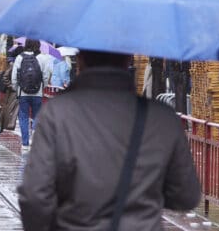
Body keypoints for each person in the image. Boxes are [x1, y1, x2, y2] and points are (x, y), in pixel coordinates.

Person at [18, 50, 201, 230]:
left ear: (80, 60)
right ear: (129, 58)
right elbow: (186, 196)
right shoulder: (162, 118)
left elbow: (34, 196)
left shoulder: (57, 114)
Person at [11, 39, 51, 150]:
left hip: (23, 93)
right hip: (37, 93)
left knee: (23, 117)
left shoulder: (20, 57)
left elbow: (14, 76)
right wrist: (43, 87)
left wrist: (17, 88)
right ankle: (34, 130)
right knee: (37, 114)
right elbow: (46, 75)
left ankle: (24, 144)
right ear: (38, 45)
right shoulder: (42, 58)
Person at [0, 48, 22, 140]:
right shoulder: (13, 64)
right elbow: (5, 77)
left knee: (8, 113)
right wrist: (13, 87)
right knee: (8, 113)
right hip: (12, 93)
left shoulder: (14, 63)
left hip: (14, 93)